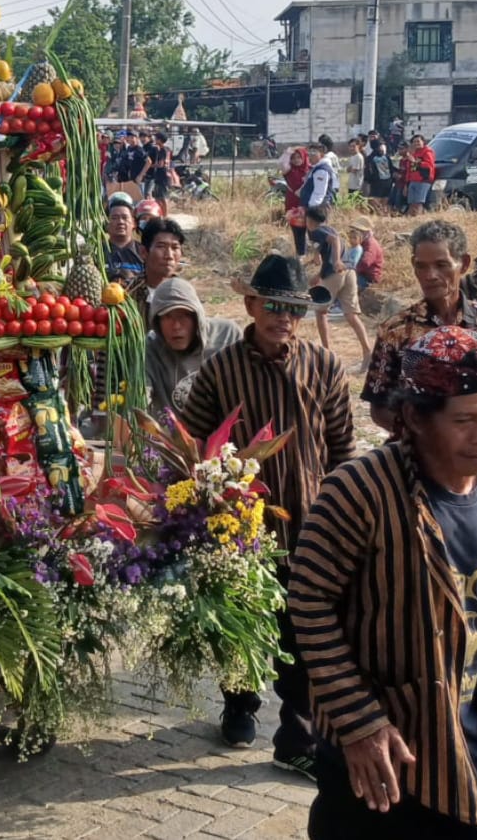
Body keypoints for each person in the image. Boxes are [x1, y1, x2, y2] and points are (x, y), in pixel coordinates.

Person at [289, 326, 477, 840]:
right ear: (415, 418)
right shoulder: (359, 490)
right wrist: (358, 722)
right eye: (464, 421)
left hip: (470, 743)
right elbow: (308, 604)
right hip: (385, 751)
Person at [180, 253, 356, 775]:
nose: (284, 317)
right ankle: (239, 704)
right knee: (241, 624)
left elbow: (344, 448)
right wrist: (207, 501)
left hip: (312, 524)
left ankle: (297, 735)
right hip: (241, 528)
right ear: (251, 304)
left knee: (304, 635)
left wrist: (343, 513)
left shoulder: (324, 366)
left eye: (294, 309)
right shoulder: (220, 369)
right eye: (274, 305)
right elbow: (194, 445)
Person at [363, 220, 477, 432]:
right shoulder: (396, 330)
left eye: (441, 265)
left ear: (464, 264)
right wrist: (424, 438)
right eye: (421, 266)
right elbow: (379, 406)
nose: (430, 275)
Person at [145, 277, 242, 416]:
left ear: (197, 318)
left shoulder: (228, 335)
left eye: (183, 316)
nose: (176, 326)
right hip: (174, 435)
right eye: (167, 317)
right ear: (157, 322)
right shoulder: (150, 348)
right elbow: (141, 393)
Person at [304, 206, 372, 362]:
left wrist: (336, 261)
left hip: (335, 273)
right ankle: (367, 352)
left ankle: (327, 354)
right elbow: (325, 249)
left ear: (309, 220)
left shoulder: (317, 231)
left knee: (321, 312)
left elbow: (334, 243)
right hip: (349, 272)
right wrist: (319, 271)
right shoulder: (329, 229)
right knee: (351, 315)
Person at [126, 217, 186, 323]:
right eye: (161, 247)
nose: (169, 255)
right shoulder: (128, 292)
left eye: (175, 247)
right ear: (143, 252)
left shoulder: (184, 294)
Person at [104, 195, 145, 283]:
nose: (120, 222)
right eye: (114, 218)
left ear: (134, 223)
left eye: (125, 217)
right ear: (107, 224)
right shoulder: (97, 252)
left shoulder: (143, 252)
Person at [282, 147, 309, 256]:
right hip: (293, 204)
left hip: (306, 204)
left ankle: (308, 253)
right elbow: (282, 164)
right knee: (297, 230)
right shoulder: (289, 170)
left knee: (309, 230)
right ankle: (300, 254)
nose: (296, 160)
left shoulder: (310, 170)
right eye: (293, 158)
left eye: (299, 157)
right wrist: (287, 153)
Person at [300, 143, 338, 211]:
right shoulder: (316, 168)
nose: (310, 157)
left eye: (313, 154)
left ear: (322, 154)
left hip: (317, 208)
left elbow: (319, 193)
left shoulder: (321, 170)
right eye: (309, 154)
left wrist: (312, 209)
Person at [405, 134, 436, 215]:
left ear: (423, 142)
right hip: (413, 181)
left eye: (418, 141)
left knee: (418, 202)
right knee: (411, 203)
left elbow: (429, 165)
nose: (416, 143)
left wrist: (416, 162)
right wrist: (407, 183)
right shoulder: (413, 154)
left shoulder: (427, 151)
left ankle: (418, 218)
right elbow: (409, 169)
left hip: (423, 180)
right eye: (414, 142)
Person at [350, 217, 383, 291]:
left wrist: (350, 271)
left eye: (359, 230)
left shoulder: (371, 244)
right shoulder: (362, 243)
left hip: (368, 278)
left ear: (365, 232)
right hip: (362, 274)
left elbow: (365, 263)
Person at [365, 133, 395, 205]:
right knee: (374, 200)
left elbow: (391, 168)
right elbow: (369, 171)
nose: (382, 148)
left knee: (383, 199)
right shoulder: (371, 158)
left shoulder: (386, 157)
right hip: (377, 182)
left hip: (387, 182)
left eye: (382, 146)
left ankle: (382, 213)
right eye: (380, 146)